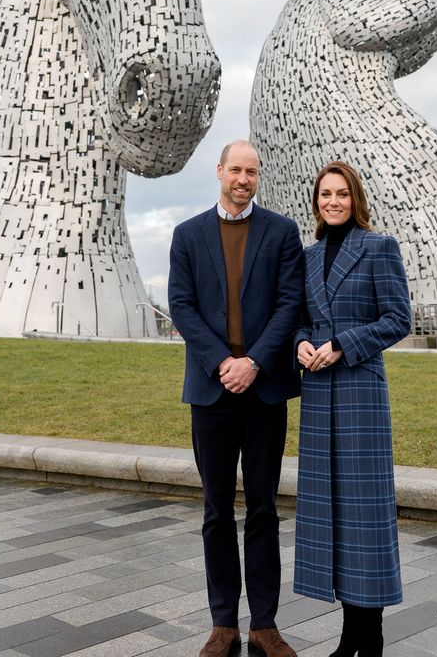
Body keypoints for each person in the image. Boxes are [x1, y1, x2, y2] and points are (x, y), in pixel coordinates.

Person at [169, 140, 305, 657]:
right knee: (216, 510)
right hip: (211, 391)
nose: (243, 179)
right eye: (235, 170)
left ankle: (264, 624)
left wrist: (255, 362)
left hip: (264, 389)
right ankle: (223, 622)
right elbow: (180, 304)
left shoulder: (282, 232)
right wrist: (222, 362)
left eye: (251, 171)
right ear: (219, 171)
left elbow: (290, 303)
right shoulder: (187, 235)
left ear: (257, 176)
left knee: (265, 508)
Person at [294, 161, 412, 657]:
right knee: (334, 517)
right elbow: (299, 318)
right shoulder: (308, 255)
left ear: (355, 198)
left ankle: (372, 636)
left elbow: (399, 318)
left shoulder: (379, 246)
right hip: (320, 397)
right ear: (316, 202)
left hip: (361, 393)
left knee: (365, 517)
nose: (333, 202)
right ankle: (349, 637)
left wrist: (344, 343)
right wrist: (301, 342)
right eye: (325, 194)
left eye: (342, 194)